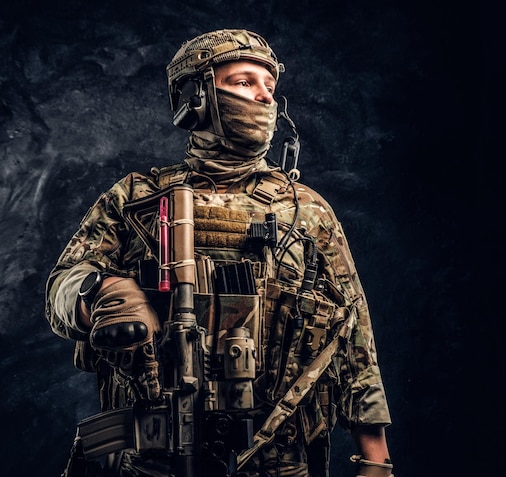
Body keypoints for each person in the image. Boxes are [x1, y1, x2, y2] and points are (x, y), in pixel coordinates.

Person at [45, 29, 393, 477]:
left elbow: (354, 335)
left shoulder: (305, 210)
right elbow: (63, 282)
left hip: (275, 453)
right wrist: (101, 293)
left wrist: (375, 459)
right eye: (244, 82)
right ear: (196, 97)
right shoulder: (138, 200)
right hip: (153, 450)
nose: (264, 98)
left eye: (270, 86)